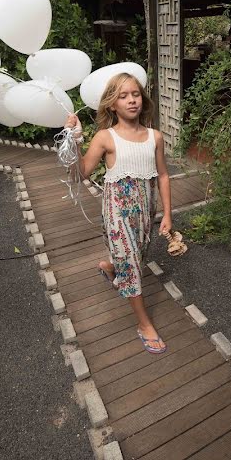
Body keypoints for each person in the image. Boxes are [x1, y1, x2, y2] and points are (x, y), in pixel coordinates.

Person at [63, 73, 173, 354]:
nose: (131, 100)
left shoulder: (155, 137)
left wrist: (168, 216)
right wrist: (74, 140)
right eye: (123, 96)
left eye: (135, 94)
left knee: (138, 255)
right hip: (117, 213)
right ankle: (144, 323)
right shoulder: (105, 137)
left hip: (146, 211)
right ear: (112, 104)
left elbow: (162, 176)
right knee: (132, 265)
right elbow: (79, 173)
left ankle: (111, 267)